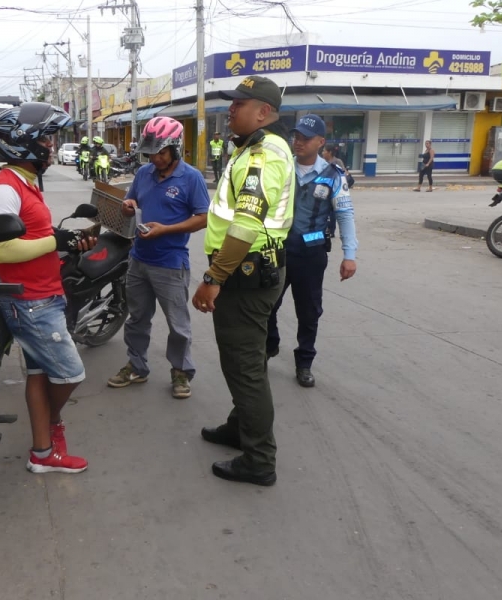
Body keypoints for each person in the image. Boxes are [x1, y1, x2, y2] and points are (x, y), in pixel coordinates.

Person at [0, 102, 95, 474]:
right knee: (70, 373)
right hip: (29, 301)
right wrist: (55, 243)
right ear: (23, 143)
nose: (51, 145)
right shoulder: (3, 189)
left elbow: (36, 235)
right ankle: (51, 425)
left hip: (42, 294)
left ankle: (43, 454)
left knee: (38, 374)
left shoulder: (26, 182)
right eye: (46, 137)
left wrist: (65, 242)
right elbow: (3, 250)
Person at [192, 75, 294, 487]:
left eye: (240, 103)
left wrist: (213, 277)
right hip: (247, 269)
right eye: (232, 103)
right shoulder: (254, 147)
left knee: (246, 367)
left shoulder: (262, 155)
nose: (231, 109)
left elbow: (247, 224)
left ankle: (259, 459)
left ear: (263, 112)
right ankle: (240, 428)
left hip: (244, 272)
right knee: (242, 363)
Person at [107, 116, 209, 399]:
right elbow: (132, 204)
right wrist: (128, 207)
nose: (155, 158)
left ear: (175, 148)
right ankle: (137, 366)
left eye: (161, 152)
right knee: (137, 318)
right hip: (139, 259)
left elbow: (203, 218)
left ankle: (180, 372)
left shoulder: (192, 178)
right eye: (151, 152)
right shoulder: (143, 174)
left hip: (171, 263)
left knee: (178, 324)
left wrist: (167, 230)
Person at [266, 115, 358, 388]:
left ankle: (304, 362)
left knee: (308, 312)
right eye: (296, 137)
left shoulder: (333, 176)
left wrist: (349, 255)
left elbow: (345, 215)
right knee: (267, 304)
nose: (298, 142)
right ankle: (270, 345)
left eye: (305, 138)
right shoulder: (282, 168)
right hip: (277, 250)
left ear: (321, 142)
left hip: (311, 253)